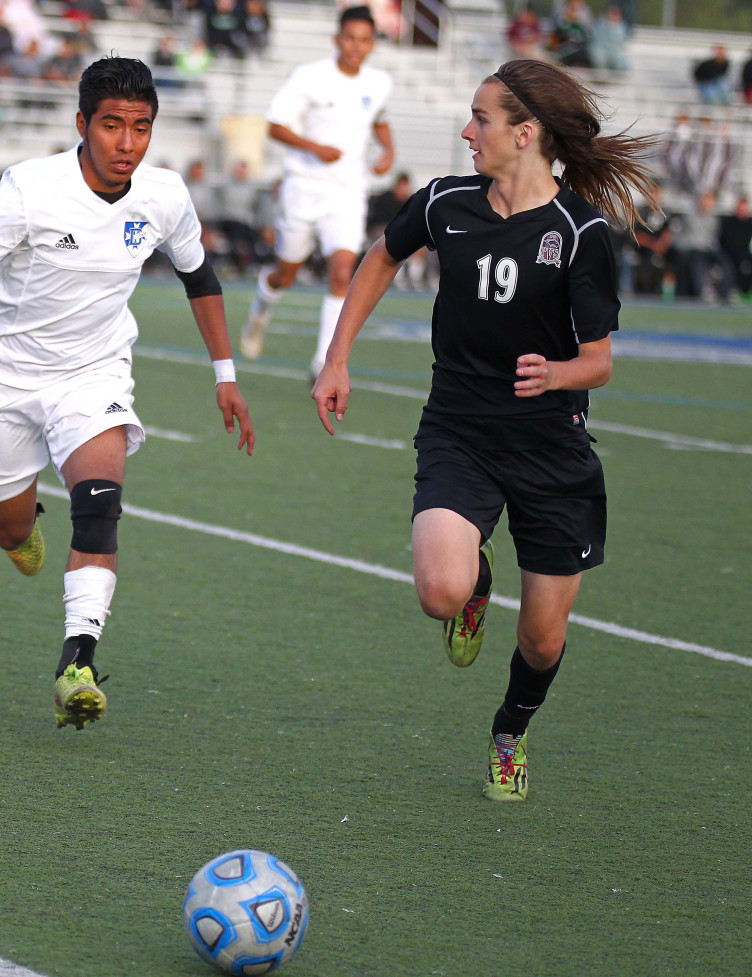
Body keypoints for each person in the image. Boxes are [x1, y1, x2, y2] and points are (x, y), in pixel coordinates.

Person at [311, 58, 659, 802]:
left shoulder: (579, 231)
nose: (468, 132)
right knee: (441, 591)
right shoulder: (444, 202)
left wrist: (556, 374)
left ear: (525, 133)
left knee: (542, 638)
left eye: (482, 119)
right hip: (459, 428)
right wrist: (337, 357)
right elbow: (380, 258)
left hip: (550, 448)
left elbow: (598, 361)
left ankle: (510, 731)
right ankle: (475, 580)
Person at [0, 56, 255, 731]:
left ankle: (79, 661)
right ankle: (19, 529)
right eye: (111, 126)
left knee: (100, 504)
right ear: (81, 124)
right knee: (7, 524)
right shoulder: (30, 189)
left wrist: (226, 375)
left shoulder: (163, 196)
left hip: (93, 374)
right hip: (3, 377)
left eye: (141, 128)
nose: (127, 143)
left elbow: (201, 277)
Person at [240, 5, 394, 379]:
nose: (356, 47)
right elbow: (275, 126)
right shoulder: (309, 77)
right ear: (336, 39)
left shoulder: (379, 82)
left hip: (347, 192)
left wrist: (388, 150)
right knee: (286, 273)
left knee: (343, 272)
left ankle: (323, 361)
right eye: (349, 38)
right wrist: (315, 148)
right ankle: (261, 308)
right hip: (303, 188)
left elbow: (380, 119)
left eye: (363, 40)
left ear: (372, 43)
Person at [718, 195, 752, 301]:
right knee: (729, 266)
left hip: (745, 255)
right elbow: (724, 241)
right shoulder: (728, 222)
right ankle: (729, 292)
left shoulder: (749, 223)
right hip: (729, 254)